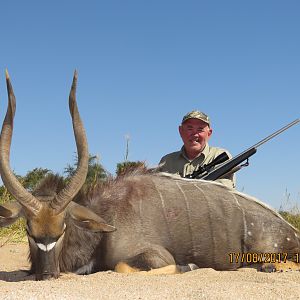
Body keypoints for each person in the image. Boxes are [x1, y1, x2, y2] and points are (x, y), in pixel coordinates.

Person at [159, 110, 235, 188]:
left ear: (209, 133)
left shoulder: (220, 156)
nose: (195, 134)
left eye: (200, 129)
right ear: (180, 131)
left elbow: (224, 191)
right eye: (190, 128)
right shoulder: (166, 162)